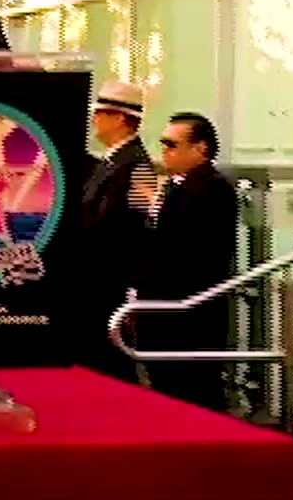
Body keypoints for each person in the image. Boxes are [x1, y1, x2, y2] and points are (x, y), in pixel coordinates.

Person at [136, 112, 237, 413]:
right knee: (167, 389)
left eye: (172, 144)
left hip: (189, 315)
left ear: (200, 149)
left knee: (194, 393)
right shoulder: (176, 187)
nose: (164, 151)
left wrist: (156, 209)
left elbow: (197, 252)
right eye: (163, 143)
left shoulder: (213, 189)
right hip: (163, 310)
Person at [78, 80, 158, 383]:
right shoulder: (112, 162)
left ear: (121, 119)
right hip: (98, 279)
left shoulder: (135, 166)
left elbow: (142, 227)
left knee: (111, 362)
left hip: (110, 279)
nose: (95, 119)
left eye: (102, 113)